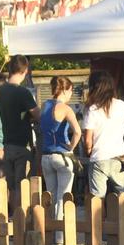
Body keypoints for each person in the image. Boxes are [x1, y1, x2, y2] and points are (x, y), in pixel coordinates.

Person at [83, 70, 124, 199]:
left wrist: (88, 151)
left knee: (97, 199)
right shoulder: (121, 105)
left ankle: (99, 220)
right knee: (123, 196)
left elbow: (88, 140)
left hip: (99, 158)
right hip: (119, 158)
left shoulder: (92, 109)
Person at [37, 76, 82, 208]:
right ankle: (60, 229)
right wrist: (71, 147)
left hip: (45, 157)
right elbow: (78, 132)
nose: (71, 94)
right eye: (71, 90)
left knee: (51, 197)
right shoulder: (66, 109)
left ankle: (50, 226)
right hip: (62, 156)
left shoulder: (44, 105)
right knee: (63, 198)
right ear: (65, 90)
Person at [0, 56, 38, 191]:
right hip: (22, 146)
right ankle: (23, 213)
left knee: (12, 188)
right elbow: (38, 115)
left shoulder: (2, 91)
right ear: (25, 70)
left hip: (7, 145)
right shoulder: (22, 92)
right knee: (23, 187)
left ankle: (15, 212)